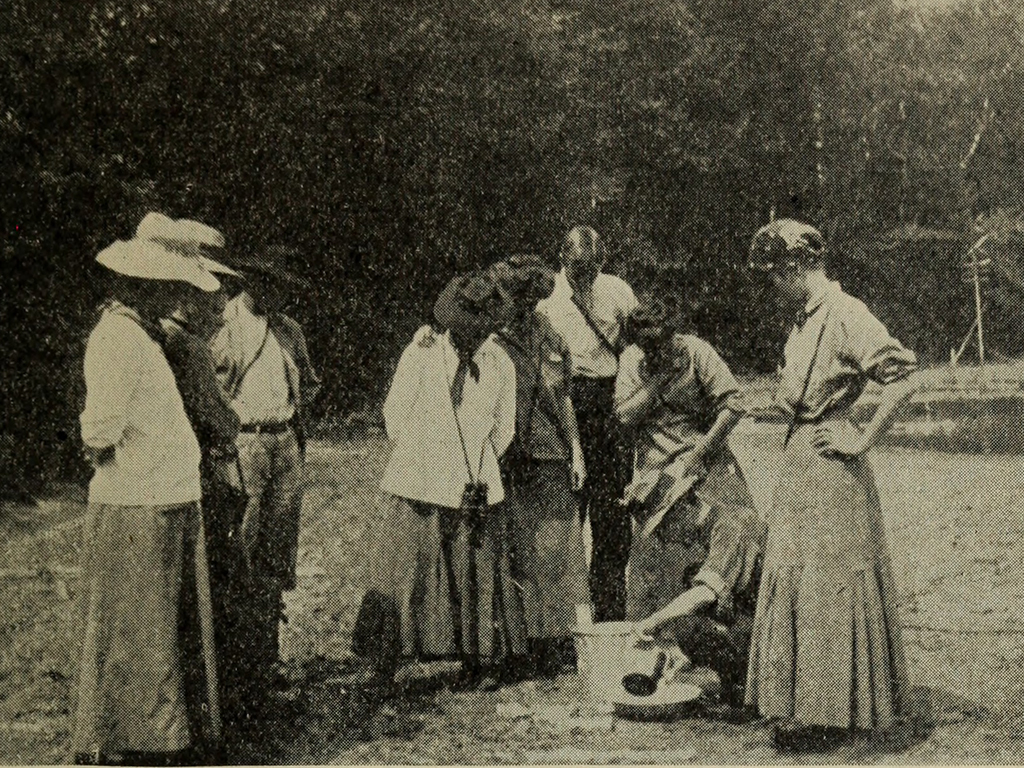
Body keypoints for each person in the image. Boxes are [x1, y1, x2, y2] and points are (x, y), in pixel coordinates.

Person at [744, 219, 918, 752]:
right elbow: (799, 394)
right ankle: (804, 706)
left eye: (775, 276)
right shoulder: (802, 321)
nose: (772, 288)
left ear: (797, 266)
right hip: (799, 466)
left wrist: (862, 438)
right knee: (797, 581)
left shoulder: (846, 313)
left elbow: (906, 376)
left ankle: (833, 713)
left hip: (831, 469)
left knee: (828, 588)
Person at [75, 238, 222, 765]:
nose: (175, 298)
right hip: (137, 501)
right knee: (142, 629)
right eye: (168, 288)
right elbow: (99, 429)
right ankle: (138, 740)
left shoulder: (143, 337)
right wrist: (132, 459)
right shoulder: (116, 338)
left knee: (161, 628)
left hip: (165, 495)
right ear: (141, 288)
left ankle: (162, 735)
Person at [349, 271, 519, 693]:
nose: (473, 338)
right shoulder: (421, 353)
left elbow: (505, 428)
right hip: (420, 478)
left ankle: (480, 659)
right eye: (465, 330)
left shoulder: (500, 362)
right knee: (404, 574)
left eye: (482, 331)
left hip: (475, 481)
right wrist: (429, 455)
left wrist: (476, 465)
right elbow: (395, 415)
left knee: (477, 571)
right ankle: (383, 664)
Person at [135, 212, 251, 750]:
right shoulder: (180, 344)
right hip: (197, 473)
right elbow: (212, 414)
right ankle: (213, 711)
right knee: (211, 590)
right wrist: (230, 423)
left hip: (180, 472)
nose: (215, 297)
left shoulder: (160, 336)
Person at [615, 300, 765, 708]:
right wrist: (657, 382)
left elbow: (734, 403)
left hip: (707, 461)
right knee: (653, 557)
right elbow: (625, 415)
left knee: (725, 545)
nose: (654, 353)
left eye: (660, 347)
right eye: (648, 350)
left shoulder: (696, 351)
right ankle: (651, 651)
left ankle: (732, 657)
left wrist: (703, 448)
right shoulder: (635, 360)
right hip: (657, 470)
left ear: (671, 335)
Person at [210, 246, 320, 707]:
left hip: (283, 443)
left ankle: (267, 656)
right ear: (251, 282)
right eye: (268, 284)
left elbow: (309, 384)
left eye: (282, 287)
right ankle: (237, 663)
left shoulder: (289, 330)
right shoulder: (225, 325)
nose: (275, 294)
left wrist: (297, 427)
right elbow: (210, 389)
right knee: (242, 549)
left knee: (277, 554)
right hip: (245, 443)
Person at [489, 255, 589, 678]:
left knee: (555, 551)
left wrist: (577, 451)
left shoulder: (551, 337)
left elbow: (563, 398)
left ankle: (556, 640)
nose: (523, 307)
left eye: (530, 299)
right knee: (512, 550)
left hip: (548, 454)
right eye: (517, 298)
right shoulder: (488, 340)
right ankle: (516, 643)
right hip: (504, 457)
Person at [536, 225, 638, 621]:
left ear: (601, 263)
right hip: (565, 400)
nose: (585, 277)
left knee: (612, 509)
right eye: (578, 269)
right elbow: (550, 376)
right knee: (565, 514)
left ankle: (610, 611)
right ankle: (563, 618)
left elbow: (634, 343)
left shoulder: (617, 291)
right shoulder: (548, 302)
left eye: (592, 269)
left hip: (611, 400)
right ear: (563, 260)